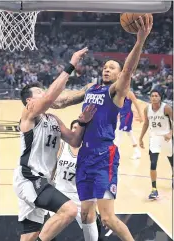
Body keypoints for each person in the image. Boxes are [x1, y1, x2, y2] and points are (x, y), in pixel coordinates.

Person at [51, 15, 153, 241]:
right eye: (105, 67)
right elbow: (60, 101)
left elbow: (128, 72)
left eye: (112, 68)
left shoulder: (115, 92)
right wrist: (38, 101)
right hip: (85, 155)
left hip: (104, 155)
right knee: (86, 214)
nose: (106, 70)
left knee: (107, 217)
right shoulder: (90, 88)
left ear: (118, 75)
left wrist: (139, 41)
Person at [13, 48, 97, 241]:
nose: (44, 95)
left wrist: (83, 122)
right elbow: (50, 98)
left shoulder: (53, 119)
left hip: (42, 181)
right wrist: (72, 64)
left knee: (30, 234)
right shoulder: (29, 115)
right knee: (69, 210)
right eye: (39, 93)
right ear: (29, 101)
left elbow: (74, 140)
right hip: (30, 178)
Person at [49, 119, 103, 241]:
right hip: (60, 193)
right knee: (49, 230)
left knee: (95, 229)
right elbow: (52, 167)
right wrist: (49, 184)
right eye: (73, 127)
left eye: (79, 128)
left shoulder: (90, 150)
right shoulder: (62, 145)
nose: (76, 130)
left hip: (80, 197)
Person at [139, 89, 173, 199]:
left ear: (160, 97)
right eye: (152, 96)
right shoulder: (147, 109)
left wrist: (170, 133)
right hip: (154, 138)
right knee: (153, 163)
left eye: (156, 96)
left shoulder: (166, 108)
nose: (154, 97)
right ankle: (154, 189)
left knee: (171, 161)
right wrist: (140, 138)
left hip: (166, 138)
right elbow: (146, 123)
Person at [115, 90, 143, 159]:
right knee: (129, 133)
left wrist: (140, 115)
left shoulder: (129, 93)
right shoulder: (118, 92)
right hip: (121, 115)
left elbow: (136, 103)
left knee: (119, 132)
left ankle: (115, 151)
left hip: (127, 115)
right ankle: (137, 151)